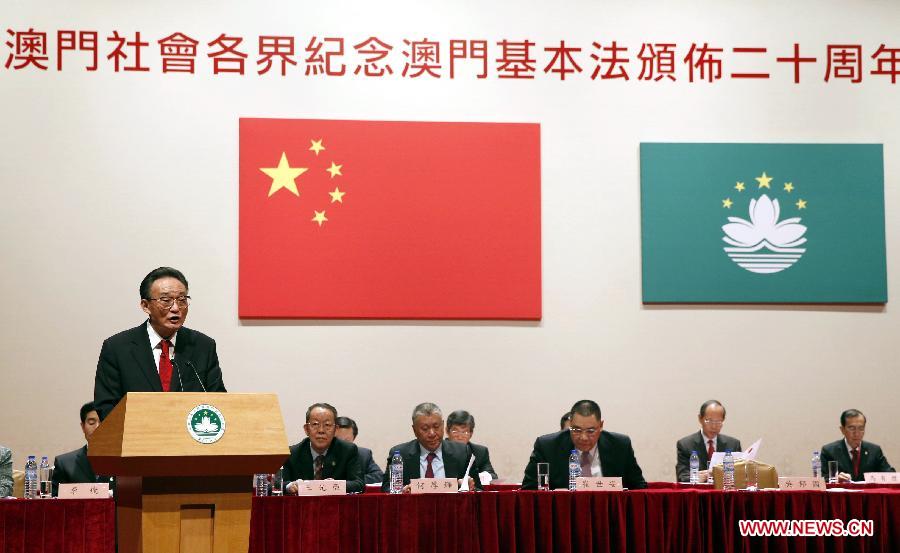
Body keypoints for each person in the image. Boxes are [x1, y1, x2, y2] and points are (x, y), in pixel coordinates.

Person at [93, 267, 226, 420]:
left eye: (182, 300)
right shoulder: (117, 348)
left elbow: (219, 402)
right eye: (166, 300)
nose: (176, 308)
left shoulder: (203, 346)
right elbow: (106, 406)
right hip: (138, 439)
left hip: (188, 440)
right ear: (145, 306)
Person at [522, 400, 647, 490]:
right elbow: (529, 491)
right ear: (570, 424)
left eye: (591, 431)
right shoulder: (547, 447)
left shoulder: (620, 446)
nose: (583, 437)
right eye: (576, 430)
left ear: (601, 425)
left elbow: (638, 488)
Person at [381, 402, 480, 492]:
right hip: (413, 509)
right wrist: (402, 491)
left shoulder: (462, 452)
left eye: (436, 427)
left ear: (443, 425)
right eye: (425, 429)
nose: (432, 433)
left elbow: (479, 491)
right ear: (414, 430)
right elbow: (386, 489)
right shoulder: (400, 454)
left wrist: (470, 487)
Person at [283, 403, 364, 494]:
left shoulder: (348, 450)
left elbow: (358, 484)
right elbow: (276, 484)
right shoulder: (292, 453)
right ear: (306, 429)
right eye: (315, 424)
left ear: (335, 430)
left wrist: (334, 485)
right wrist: (290, 486)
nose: (321, 430)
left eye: (327, 425)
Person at [51, 402, 111, 496]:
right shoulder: (64, 463)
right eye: (91, 422)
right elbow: (56, 505)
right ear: (83, 427)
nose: (97, 427)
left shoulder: (124, 461)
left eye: (102, 421)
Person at [675, 400, 742, 482]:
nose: (714, 426)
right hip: (697, 493)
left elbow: (740, 475)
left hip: (725, 493)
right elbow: (682, 477)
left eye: (718, 421)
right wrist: (696, 477)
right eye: (709, 421)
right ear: (700, 418)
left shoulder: (733, 444)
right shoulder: (685, 445)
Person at [820, 409, 895, 483]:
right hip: (842, 494)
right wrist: (836, 479)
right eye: (852, 428)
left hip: (868, 494)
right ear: (842, 429)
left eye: (861, 428)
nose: (857, 433)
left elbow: (889, 474)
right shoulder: (829, 451)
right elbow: (824, 479)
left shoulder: (874, 450)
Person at [446, 410, 498, 480]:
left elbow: (493, 477)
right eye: (455, 431)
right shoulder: (438, 450)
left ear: (471, 434)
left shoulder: (480, 452)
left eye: (465, 432)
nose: (460, 436)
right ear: (447, 431)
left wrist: (475, 478)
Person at [334, 416, 384, 484]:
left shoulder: (363, 455)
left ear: (353, 439)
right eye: (338, 440)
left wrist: (353, 481)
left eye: (346, 441)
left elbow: (378, 476)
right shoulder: (321, 454)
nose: (342, 445)